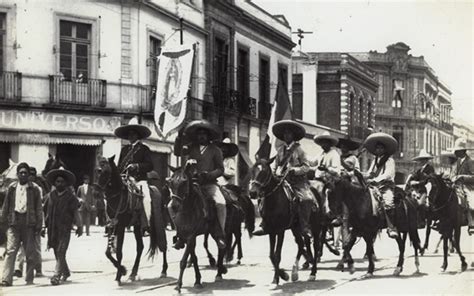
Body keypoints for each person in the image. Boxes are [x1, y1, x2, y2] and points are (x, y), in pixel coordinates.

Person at [253, 120, 317, 239]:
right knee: (264, 195)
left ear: (293, 135)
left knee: (306, 199)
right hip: (281, 180)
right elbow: (275, 165)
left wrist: (294, 170)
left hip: (297, 182)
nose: (286, 136)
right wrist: (273, 172)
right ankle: (265, 223)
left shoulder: (299, 150)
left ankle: (305, 226)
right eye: (285, 134)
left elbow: (306, 167)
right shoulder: (280, 150)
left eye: (289, 133)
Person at [172, 119, 227, 249]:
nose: (201, 136)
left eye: (204, 134)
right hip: (191, 184)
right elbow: (177, 152)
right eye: (199, 134)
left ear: (208, 136)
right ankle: (179, 234)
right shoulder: (190, 148)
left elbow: (221, 169)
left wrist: (208, 175)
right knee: (171, 205)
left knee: (220, 203)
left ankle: (220, 235)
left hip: (209, 184)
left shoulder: (215, 150)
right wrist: (179, 137)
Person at [0, 163, 43, 287]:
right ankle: (6, 279)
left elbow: (39, 208)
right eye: (21, 172)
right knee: (11, 250)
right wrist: (2, 222)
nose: (23, 175)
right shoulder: (12, 188)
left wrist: (39, 225)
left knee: (30, 252)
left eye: (25, 173)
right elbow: (6, 206)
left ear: (28, 175)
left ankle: (29, 278)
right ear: (17, 174)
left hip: (29, 223)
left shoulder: (34, 189)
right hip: (14, 222)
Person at [114, 117, 153, 236]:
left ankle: (146, 225)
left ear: (138, 135)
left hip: (139, 181)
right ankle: (112, 221)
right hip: (125, 180)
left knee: (147, 199)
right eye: (129, 134)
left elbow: (150, 165)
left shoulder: (144, 149)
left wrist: (136, 166)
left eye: (133, 134)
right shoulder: (124, 149)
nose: (131, 136)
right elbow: (120, 165)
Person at [44, 167, 83, 285]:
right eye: (57, 181)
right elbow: (45, 211)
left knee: (61, 251)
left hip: (65, 229)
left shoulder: (71, 197)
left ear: (66, 183)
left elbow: (75, 212)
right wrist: (43, 227)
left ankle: (56, 275)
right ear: (54, 183)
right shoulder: (50, 196)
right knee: (56, 252)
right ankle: (65, 272)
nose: (59, 183)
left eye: (62, 181)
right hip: (52, 228)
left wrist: (80, 226)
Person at [363, 132, 399, 239]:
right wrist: (362, 175)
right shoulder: (375, 160)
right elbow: (370, 173)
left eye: (381, 148)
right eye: (377, 148)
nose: (378, 150)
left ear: (385, 149)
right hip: (374, 186)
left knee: (388, 202)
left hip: (386, 186)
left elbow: (388, 174)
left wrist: (375, 180)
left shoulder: (389, 160)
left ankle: (391, 227)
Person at [312, 131, 343, 226]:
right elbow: (313, 162)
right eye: (322, 142)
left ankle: (332, 213)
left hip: (329, 180)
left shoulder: (334, 154)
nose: (323, 145)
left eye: (325, 142)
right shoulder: (321, 154)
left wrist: (326, 168)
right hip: (317, 179)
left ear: (329, 143)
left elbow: (337, 170)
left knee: (328, 192)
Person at [335, 135, 361, 248]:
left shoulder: (353, 158)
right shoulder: (338, 157)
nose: (343, 148)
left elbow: (356, 171)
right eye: (341, 146)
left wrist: (347, 172)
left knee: (348, 209)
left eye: (345, 147)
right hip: (338, 183)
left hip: (349, 184)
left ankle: (348, 216)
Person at [450, 138, 474, 234]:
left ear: (463, 151)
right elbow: (453, 174)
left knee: (471, 203)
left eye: (457, 151)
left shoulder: (470, 161)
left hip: (468, 187)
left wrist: (462, 177)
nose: (455, 153)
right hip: (456, 186)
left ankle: (471, 222)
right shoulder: (457, 162)